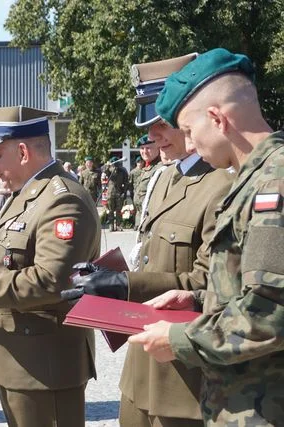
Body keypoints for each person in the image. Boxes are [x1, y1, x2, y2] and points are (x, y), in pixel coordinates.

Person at [64, 52, 233, 427]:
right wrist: (107, 276)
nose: (151, 134)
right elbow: (150, 257)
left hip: (185, 377)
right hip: (141, 365)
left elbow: (209, 282)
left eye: (161, 122)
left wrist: (125, 284)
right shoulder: (164, 177)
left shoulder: (224, 184)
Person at [129, 48, 284, 426]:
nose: (191, 144)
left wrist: (179, 340)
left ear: (217, 119)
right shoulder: (253, 179)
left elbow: (269, 313)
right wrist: (198, 298)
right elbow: (250, 286)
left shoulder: (274, 184)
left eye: (188, 131)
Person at [0, 105, 100, 427]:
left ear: (23, 151)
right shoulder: (25, 193)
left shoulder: (61, 199)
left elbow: (51, 281)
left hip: (44, 366)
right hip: (21, 359)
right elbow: (1, 261)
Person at [132, 134, 161, 228]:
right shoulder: (146, 168)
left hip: (152, 219)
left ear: (158, 148)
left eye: (148, 148)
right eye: (142, 148)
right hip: (142, 216)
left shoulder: (161, 168)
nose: (144, 151)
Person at [103, 156, 128, 231]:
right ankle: (111, 225)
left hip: (119, 192)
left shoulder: (123, 170)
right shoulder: (109, 170)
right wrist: (108, 165)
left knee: (118, 210)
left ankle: (118, 225)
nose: (116, 165)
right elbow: (104, 171)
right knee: (111, 210)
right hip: (110, 193)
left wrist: (124, 192)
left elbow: (126, 182)